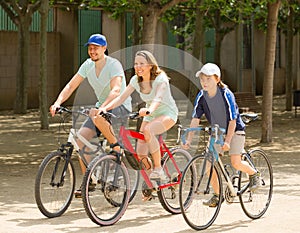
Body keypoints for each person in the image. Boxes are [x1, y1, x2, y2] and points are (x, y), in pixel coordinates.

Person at [49, 33, 132, 197]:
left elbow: (116, 90)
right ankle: (91, 179)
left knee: (97, 117)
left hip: (119, 106)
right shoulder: (87, 65)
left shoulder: (113, 65)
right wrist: (58, 102)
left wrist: (103, 107)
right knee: (81, 139)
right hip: (100, 108)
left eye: (96, 47)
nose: (92, 50)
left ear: (104, 49)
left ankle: (116, 147)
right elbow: (71, 85)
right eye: (90, 47)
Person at [98, 50, 178, 200]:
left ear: (150, 65)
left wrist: (149, 109)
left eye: (142, 63)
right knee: (140, 153)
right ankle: (152, 184)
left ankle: (159, 169)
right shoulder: (136, 80)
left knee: (148, 130)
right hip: (150, 115)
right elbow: (122, 97)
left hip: (167, 113)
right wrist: (105, 108)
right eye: (136, 64)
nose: (138, 67)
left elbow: (158, 98)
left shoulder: (160, 78)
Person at [182, 63, 260, 207]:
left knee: (235, 162)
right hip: (217, 132)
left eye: (208, 79)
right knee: (208, 165)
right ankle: (218, 195)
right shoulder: (201, 95)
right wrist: (189, 140)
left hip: (235, 130)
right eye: (202, 79)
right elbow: (195, 119)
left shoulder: (226, 94)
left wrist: (228, 141)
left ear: (217, 79)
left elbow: (232, 120)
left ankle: (254, 174)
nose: (204, 82)